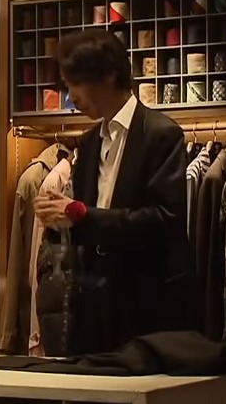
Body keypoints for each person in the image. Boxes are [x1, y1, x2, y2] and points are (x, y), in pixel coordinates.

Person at [33, 28, 193, 353]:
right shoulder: (90, 142)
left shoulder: (161, 135)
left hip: (146, 309)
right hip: (92, 309)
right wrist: (59, 219)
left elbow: (164, 220)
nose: (71, 95)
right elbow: (86, 225)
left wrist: (79, 214)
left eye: (76, 83)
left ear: (108, 74)